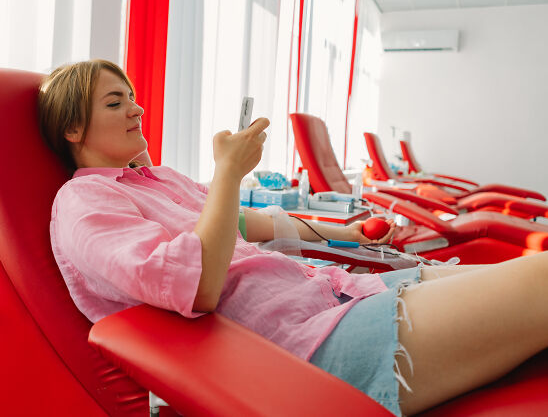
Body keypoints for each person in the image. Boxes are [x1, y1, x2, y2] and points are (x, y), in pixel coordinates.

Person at [38, 59, 548, 416]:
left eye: (132, 97)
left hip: (335, 295)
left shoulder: (160, 180)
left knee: (526, 282)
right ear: (73, 129)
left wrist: (341, 232)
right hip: (307, 346)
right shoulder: (83, 204)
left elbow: (239, 224)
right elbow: (197, 287)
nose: (136, 110)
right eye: (114, 102)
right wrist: (229, 174)